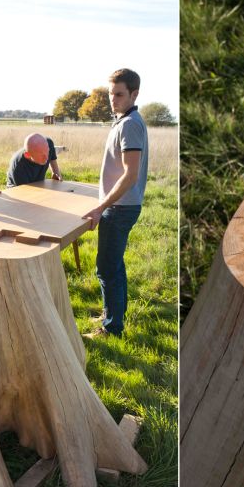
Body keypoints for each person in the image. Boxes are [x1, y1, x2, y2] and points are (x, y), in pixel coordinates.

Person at [82, 68, 148, 338]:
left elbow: (130, 175)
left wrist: (101, 207)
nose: (113, 99)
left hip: (119, 207)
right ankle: (114, 314)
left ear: (134, 94)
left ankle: (111, 328)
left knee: (106, 267)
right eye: (111, 93)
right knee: (115, 265)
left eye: (119, 94)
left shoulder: (130, 124)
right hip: (119, 205)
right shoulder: (124, 120)